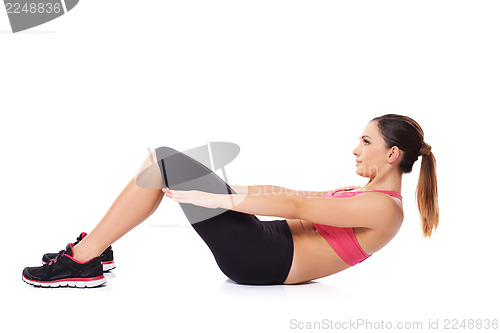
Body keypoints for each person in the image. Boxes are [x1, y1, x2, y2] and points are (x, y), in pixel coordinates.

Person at [22, 114, 439, 288]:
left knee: (164, 161)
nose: (355, 150)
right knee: (164, 162)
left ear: (392, 154)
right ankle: (96, 247)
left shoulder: (385, 208)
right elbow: (289, 194)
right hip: (269, 242)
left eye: (365, 142)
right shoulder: (366, 194)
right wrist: (223, 192)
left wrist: (210, 196)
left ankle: (83, 261)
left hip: (263, 261)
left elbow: (297, 208)